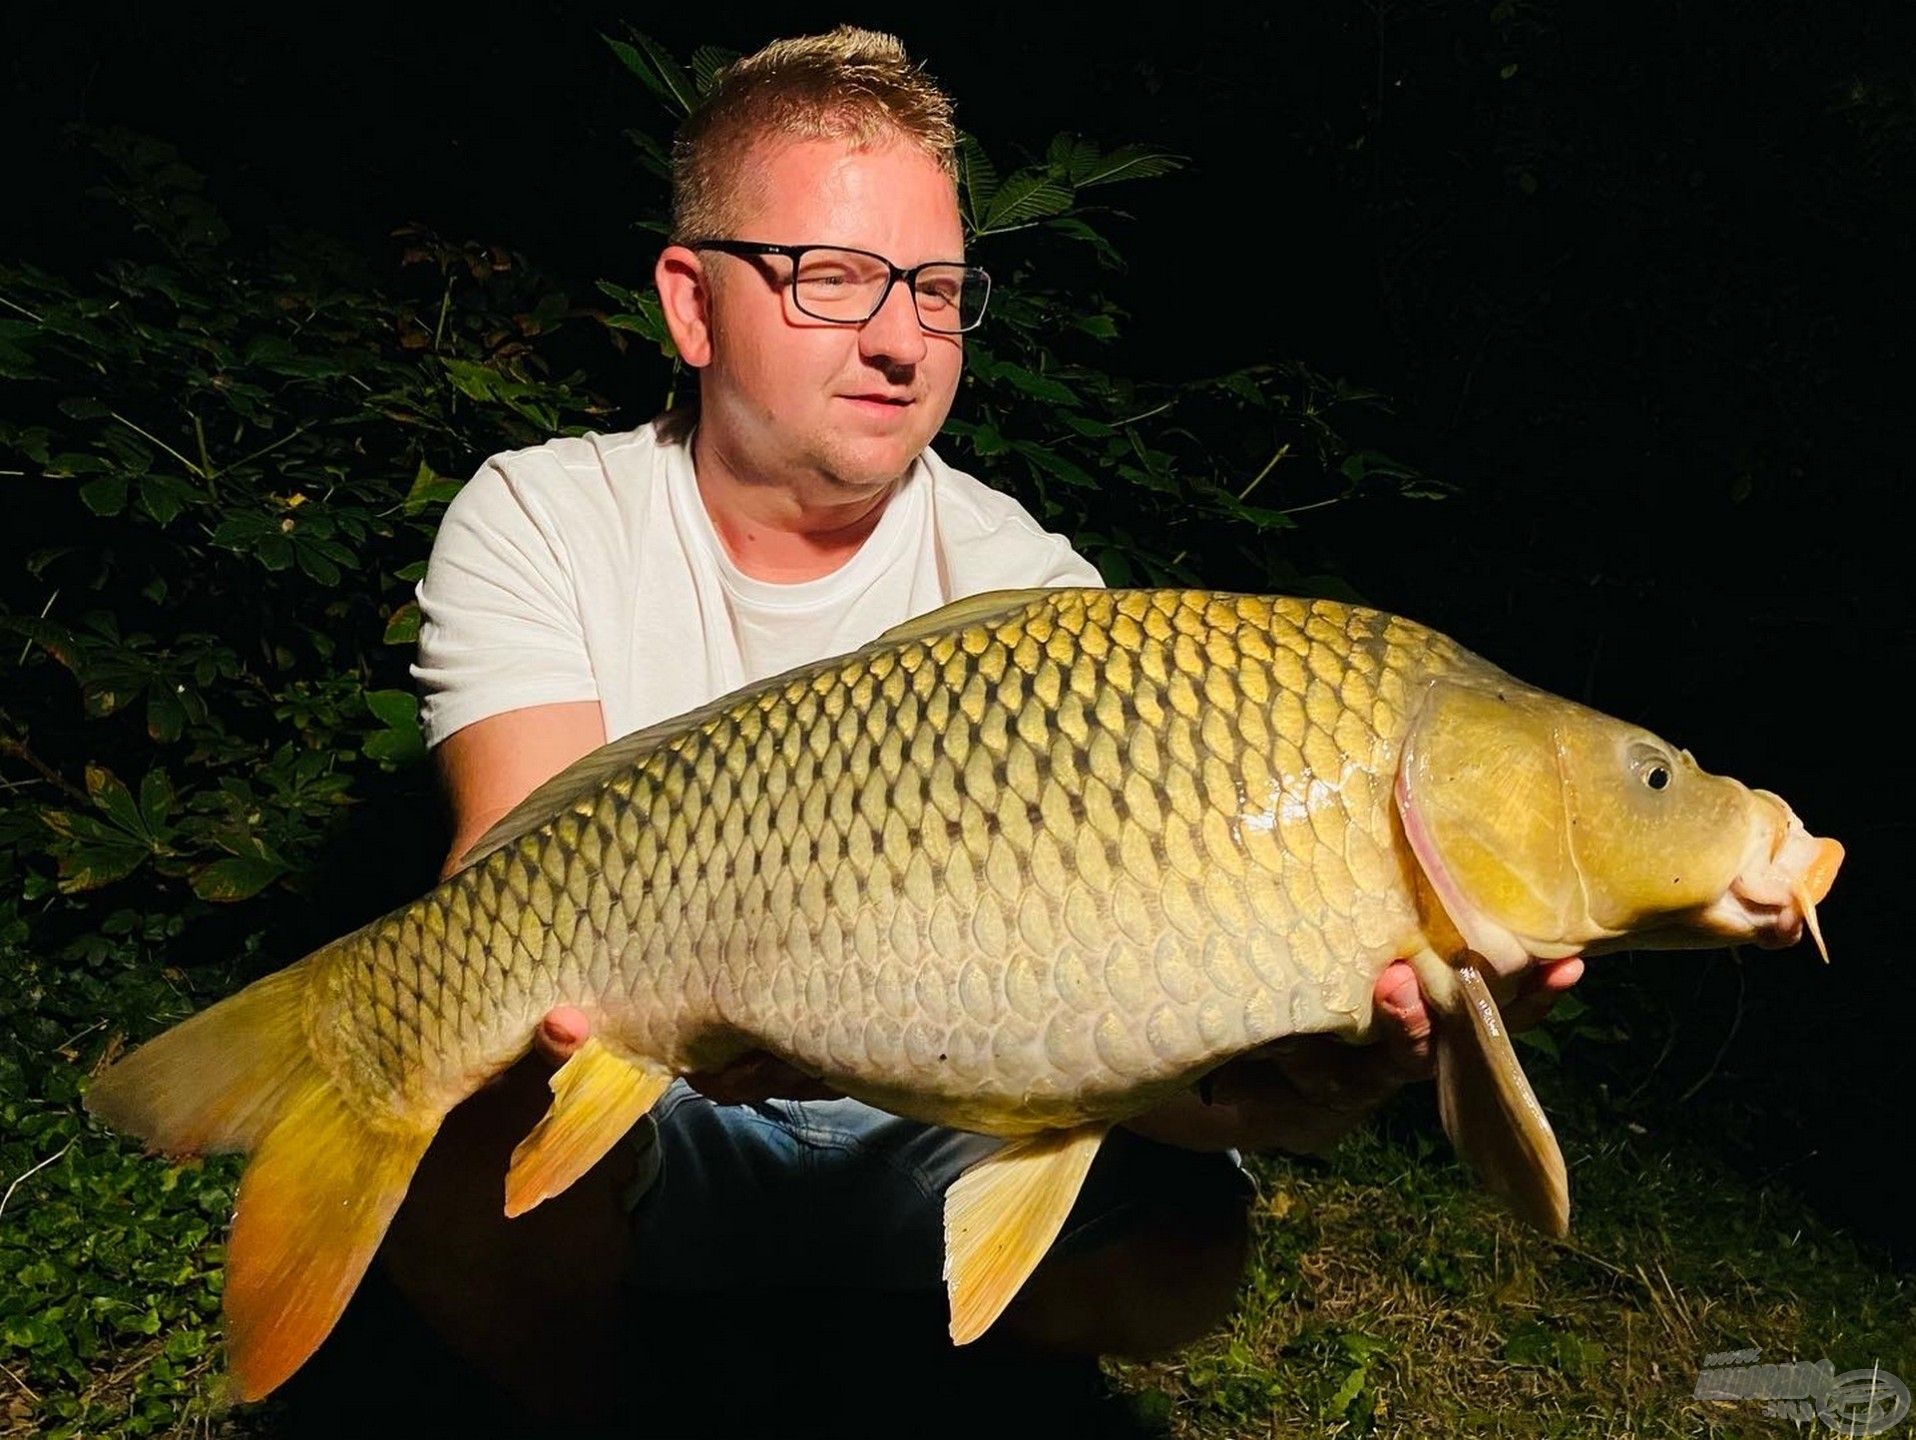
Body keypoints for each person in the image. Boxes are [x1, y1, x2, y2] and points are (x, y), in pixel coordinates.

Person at [381, 25, 1581, 1428]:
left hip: (930, 1124)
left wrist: (1292, 1089)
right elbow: (506, 891)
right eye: (831, 279)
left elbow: (1121, 1042)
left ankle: (910, 1368)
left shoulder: (1030, 592)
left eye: (938, 290)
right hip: (649, 1107)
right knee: (452, 1159)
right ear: (693, 306)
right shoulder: (546, 516)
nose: (900, 340)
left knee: (1185, 1243)